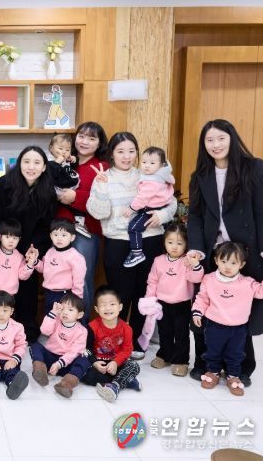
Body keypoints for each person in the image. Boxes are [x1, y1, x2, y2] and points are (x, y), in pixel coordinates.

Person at [186, 119, 263, 386]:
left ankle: (241, 367)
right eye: (209, 140)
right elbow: (195, 216)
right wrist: (196, 249)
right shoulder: (200, 175)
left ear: (232, 139)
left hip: (244, 252)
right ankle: (205, 363)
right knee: (205, 306)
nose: (216, 144)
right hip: (212, 253)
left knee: (240, 311)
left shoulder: (253, 168)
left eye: (221, 138)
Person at [86, 133, 177, 359]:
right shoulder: (104, 177)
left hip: (150, 239)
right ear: (111, 154)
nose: (126, 156)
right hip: (118, 241)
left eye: (131, 151)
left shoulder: (147, 174)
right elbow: (98, 213)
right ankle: (115, 338)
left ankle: (136, 340)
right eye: (120, 151)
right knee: (120, 293)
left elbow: (171, 201)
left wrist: (162, 215)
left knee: (143, 292)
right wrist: (101, 187)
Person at [0, 145, 57, 340]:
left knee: (27, 287)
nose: (31, 167)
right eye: (26, 162)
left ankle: (27, 328)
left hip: (30, 249)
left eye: (36, 162)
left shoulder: (48, 191)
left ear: (44, 167)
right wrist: (4, 242)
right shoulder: (4, 184)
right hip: (5, 245)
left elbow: (46, 226)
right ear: (19, 164)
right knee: (2, 288)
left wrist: (33, 249)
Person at [192, 242, 263, 396]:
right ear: (216, 260)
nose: (227, 266)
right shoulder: (209, 279)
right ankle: (213, 372)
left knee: (235, 353)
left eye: (233, 263)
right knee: (213, 350)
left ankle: (233, 376)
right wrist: (197, 312)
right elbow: (202, 298)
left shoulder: (247, 283)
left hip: (238, 328)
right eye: (223, 261)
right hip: (214, 325)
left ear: (241, 264)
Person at [55, 122, 109, 320]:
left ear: (99, 143)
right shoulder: (66, 162)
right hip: (60, 229)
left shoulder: (102, 167)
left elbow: (105, 199)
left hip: (86, 230)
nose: (85, 142)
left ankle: (81, 325)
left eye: (91, 138)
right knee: (60, 278)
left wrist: (75, 197)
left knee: (82, 278)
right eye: (81, 136)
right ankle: (62, 324)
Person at [140, 222, 203, 377]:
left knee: (181, 334)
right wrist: (150, 299)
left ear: (186, 244)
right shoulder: (158, 260)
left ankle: (181, 361)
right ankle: (164, 355)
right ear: (164, 242)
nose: (174, 247)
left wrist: (195, 265)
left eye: (179, 243)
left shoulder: (187, 261)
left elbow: (196, 278)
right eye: (170, 242)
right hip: (162, 304)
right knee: (164, 331)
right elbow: (152, 281)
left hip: (182, 304)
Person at [82, 286, 142, 403]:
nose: (108, 308)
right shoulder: (92, 327)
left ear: (120, 307)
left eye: (112, 304)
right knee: (86, 375)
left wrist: (115, 362)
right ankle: (125, 380)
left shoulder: (127, 328)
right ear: (96, 309)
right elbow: (87, 349)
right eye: (103, 305)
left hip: (116, 362)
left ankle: (114, 386)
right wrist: (95, 363)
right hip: (98, 363)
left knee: (134, 365)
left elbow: (127, 350)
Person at [29, 294, 91, 398]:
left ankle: (67, 384)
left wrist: (59, 364)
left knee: (84, 360)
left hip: (67, 363)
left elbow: (74, 352)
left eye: (70, 310)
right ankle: (40, 369)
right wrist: (53, 313)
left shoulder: (82, 331)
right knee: (35, 347)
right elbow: (44, 331)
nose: (65, 312)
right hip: (50, 359)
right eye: (63, 309)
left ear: (79, 315)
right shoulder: (56, 320)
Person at [124, 147, 175, 268]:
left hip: (150, 210)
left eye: (152, 163)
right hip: (160, 207)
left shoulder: (152, 181)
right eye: (144, 162)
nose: (147, 166)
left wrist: (131, 209)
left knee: (134, 228)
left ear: (161, 165)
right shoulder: (162, 176)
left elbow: (142, 198)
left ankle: (137, 253)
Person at [30, 220, 86, 316]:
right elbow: (44, 269)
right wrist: (35, 261)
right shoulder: (50, 252)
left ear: (72, 237)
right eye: (55, 235)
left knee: (63, 319)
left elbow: (79, 280)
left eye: (64, 235)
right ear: (51, 236)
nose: (59, 238)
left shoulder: (75, 257)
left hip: (65, 295)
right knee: (49, 317)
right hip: (49, 293)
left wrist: (76, 299)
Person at [47, 133, 90, 238]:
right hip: (58, 189)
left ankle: (80, 224)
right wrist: (58, 161)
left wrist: (73, 160)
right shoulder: (50, 161)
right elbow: (51, 172)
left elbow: (70, 168)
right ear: (51, 148)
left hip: (71, 185)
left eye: (67, 150)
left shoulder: (66, 159)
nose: (64, 152)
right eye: (60, 148)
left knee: (76, 206)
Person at [0, 219, 36, 296]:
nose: (11, 241)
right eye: (7, 237)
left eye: (15, 238)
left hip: (9, 296)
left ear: (19, 239)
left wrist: (30, 264)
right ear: (0, 237)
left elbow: (22, 276)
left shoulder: (19, 257)